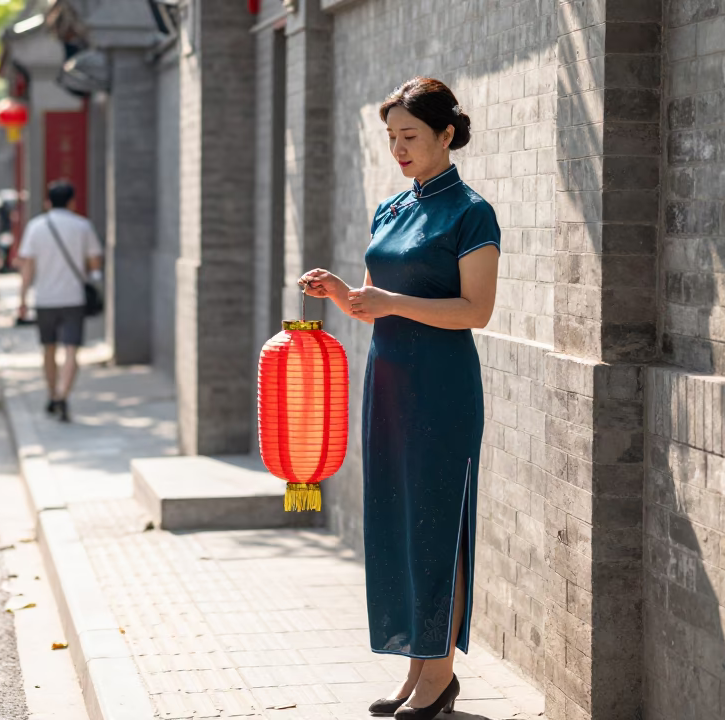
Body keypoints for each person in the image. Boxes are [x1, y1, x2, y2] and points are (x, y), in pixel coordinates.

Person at [298, 77, 500, 719]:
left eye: (410, 136)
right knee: (398, 525)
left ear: (446, 134)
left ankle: (440, 674)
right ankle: (417, 667)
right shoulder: (392, 208)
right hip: (387, 386)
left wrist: (391, 304)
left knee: (438, 523)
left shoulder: (472, 212)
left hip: (442, 392)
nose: (399, 148)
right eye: (390, 137)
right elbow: (371, 305)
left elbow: (477, 310)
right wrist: (338, 293)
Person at [16, 181, 104, 422]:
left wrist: (22, 299)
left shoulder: (36, 227)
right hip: (73, 298)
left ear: (47, 202)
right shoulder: (82, 226)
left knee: (49, 349)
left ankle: (52, 393)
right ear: (72, 202)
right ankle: (64, 395)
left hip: (44, 298)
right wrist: (93, 277)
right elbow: (95, 262)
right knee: (71, 351)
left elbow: (27, 267)